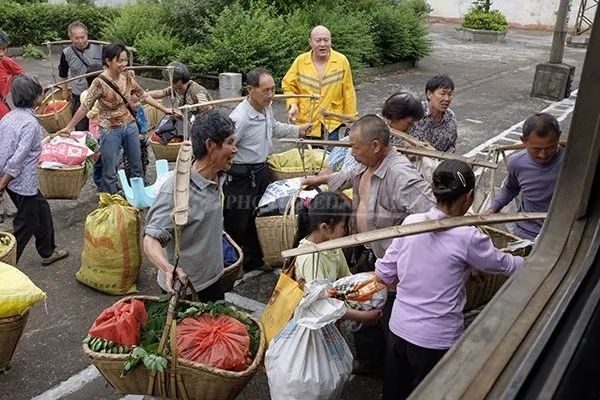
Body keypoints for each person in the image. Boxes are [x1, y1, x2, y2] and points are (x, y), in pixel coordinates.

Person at [376, 160, 525, 399]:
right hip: (435, 340)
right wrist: (533, 260)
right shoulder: (467, 236)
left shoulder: (412, 224)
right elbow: (505, 264)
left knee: (395, 393)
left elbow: (384, 273)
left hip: (399, 330)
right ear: (469, 197)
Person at [302, 115, 436, 374]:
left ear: (375, 146)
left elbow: (432, 214)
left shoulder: (400, 175)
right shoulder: (368, 164)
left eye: (354, 146)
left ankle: (391, 368)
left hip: (392, 264)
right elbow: (351, 172)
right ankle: (369, 362)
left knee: (388, 318)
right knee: (365, 307)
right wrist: (321, 180)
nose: (351, 151)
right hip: (368, 252)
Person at [143, 110, 238, 301]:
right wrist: (167, 267)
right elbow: (151, 239)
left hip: (214, 279)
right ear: (210, 145)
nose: (235, 149)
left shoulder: (219, 175)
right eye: (229, 143)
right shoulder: (175, 190)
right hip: (185, 290)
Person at [225, 67, 312, 273]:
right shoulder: (240, 118)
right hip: (241, 176)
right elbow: (225, 147)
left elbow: (273, 128)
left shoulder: (267, 107)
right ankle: (231, 264)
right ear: (250, 90)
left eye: (273, 89)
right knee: (237, 221)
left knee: (259, 216)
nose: (271, 95)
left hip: (261, 170)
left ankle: (254, 259)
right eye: (266, 90)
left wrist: (297, 130)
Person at [58, 43, 173, 194]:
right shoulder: (99, 82)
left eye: (125, 60)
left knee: (136, 166)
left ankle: (138, 198)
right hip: (109, 131)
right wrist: (69, 127)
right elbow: (84, 106)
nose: (123, 64)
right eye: (119, 61)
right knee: (109, 170)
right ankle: (113, 203)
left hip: (130, 126)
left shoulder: (127, 78)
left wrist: (164, 109)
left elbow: (143, 95)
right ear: (108, 61)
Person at [0, 74, 69, 265]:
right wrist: (2, 183)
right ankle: (7, 263)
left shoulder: (10, 117)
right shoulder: (31, 124)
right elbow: (19, 157)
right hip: (21, 180)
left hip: (11, 178)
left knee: (42, 211)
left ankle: (47, 251)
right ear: (37, 97)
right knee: (27, 222)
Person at [293, 191, 383, 324]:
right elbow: (321, 305)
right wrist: (362, 316)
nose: (347, 230)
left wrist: (369, 286)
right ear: (325, 227)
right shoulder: (310, 258)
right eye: (343, 226)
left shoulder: (331, 245)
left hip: (332, 313)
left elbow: (346, 278)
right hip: (315, 322)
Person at [485, 112, 564, 241]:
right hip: (526, 233)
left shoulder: (572, 163)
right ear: (523, 141)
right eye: (536, 149)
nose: (543, 155)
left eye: (550, 148)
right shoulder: (517, 163)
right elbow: (511, 188)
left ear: (558, 137)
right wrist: (494, 207)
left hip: (560, 233)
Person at [282, 25, 357, 140]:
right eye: (318, 40)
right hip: (307, 124)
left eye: (326, 40)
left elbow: (348, 92)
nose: (323, 44)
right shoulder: (300, 62)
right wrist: (293, 104)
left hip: (331, 124)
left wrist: (351, 120)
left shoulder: (341, 61)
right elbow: (289, 85)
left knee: (330, 157)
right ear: (310, 42)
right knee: (307, 157)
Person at [328, 91, 425, 173]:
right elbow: (349, 167)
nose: (410, 128)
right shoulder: (372, 130)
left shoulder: (395, 133)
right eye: (409, 123)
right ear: (395, 116)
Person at [58, 21, 104, 132]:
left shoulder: (100, 49)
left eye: (82, 37)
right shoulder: (66, 53)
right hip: (79, 96)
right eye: (76, 38)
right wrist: (64, 90)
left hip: (100, 96)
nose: (80, 41)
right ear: (70, 38)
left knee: (100, 129)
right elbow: (63, 73)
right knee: (80, 129)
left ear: (87, 34)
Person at [408, 75, 458, 152]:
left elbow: (451, 146)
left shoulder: (450, 117)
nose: (447, 99)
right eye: (442, 94)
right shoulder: (415, 111)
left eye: (450, 94)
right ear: (429, 94)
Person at [147, 61, 213, 115]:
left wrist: (182, 115)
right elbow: (162, 93)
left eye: (170, 81)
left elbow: (209, 114)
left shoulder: (197, 92)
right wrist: (144, 93)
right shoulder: (177, 88)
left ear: (178, 81)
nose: (169, 83)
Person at [0, 30, 24, 120]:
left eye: (3, 49)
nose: (1, 54)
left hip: (2, 112)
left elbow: (23, 77)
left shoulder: (6, 62)